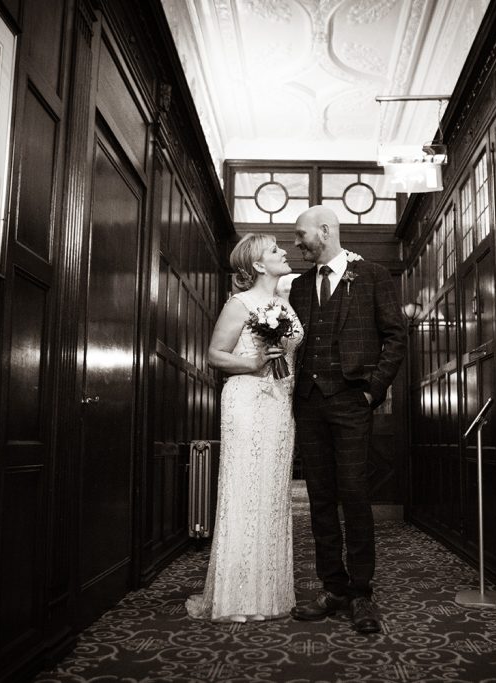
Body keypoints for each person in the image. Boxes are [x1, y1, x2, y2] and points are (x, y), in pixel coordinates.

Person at [288, 205, 407, 634]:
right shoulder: (299, 287)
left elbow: (396, 335)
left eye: (301, 235)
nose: (297, 243)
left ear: (325, 231)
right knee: (319, 497)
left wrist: (372, 389)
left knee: (355, 494)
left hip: (353, 401)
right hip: (310, 404)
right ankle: (333, 588)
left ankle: (361, 593)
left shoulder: (373, 275)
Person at [185, 233, 303, 622]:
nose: (283, 251)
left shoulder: (285, 302)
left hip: (280, 403)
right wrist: (253, 364)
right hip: (248, 400)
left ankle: (270, 592)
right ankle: (235, 596)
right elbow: (215, 355)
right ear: (256, 265)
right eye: (274, 250)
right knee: (245, 489)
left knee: (271, 492)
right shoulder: (240, 303)